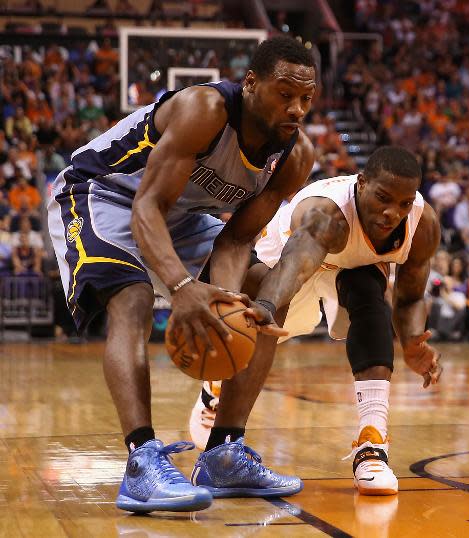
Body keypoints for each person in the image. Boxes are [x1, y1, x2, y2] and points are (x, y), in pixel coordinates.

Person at [46, 36, 317, 513]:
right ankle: (141, 460)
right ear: (250, 83)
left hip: (182, 216)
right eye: (284, 94)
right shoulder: (204, 110)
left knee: (257, 298)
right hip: (104, 194)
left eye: (306, 99)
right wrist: (184, 288)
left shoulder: (294, 157)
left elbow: (235, 241)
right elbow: (147, 207)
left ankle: (223, 452)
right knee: (130, 297)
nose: (296, 108)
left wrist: (222, 308)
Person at [189, 146, 442, 496]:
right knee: (256, 319)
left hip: (349, 270)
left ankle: (372, 446)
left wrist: (413, 341)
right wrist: (263, 306)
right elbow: (292, 269)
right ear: (361, 183)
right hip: (281, 269)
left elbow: (411, 296)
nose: (392, 213)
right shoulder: (326, 212)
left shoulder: (421, 221)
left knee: (371, 297)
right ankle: (217, 392)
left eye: (403, 203)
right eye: (383, 198)